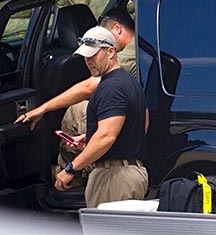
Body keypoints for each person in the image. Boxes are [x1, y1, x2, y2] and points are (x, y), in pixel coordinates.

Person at [16, 8, 139, 188]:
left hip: (118, 173)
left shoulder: (126, 58)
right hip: (132, 161)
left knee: (77, 111)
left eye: (95, 53)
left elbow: (89, 87)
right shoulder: (143, 47)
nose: (89, 60)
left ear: (117, 28)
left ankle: (69, 178)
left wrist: (43, 108)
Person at [53, 26, 148, 208]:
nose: (89, 61)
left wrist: (71, 168)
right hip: (129, 173)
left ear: (111, 51)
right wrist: (90, 138)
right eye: (86, 57)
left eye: (93, 55)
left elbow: (106, 136)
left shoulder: (110, 88)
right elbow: (142, 124)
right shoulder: (129, 82)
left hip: (114, 178)